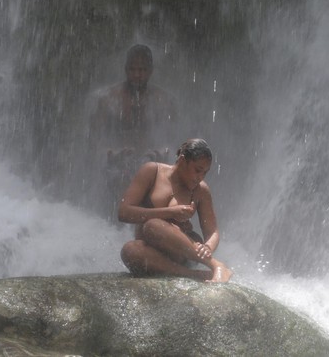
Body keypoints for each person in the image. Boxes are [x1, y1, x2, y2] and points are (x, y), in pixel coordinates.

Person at [118, 138, 232, 283]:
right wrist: (170, 212)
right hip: (152, 252)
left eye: (205, 173)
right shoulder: (152, 171)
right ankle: (194, 275)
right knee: (130, 250)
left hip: (183, 253)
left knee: (153, 225)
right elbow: (124, 212)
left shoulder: (201, 190)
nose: (200, 177)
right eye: (197, 170)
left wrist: (207, 247)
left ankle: (216, 265)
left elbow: (213, 231)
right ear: (183, 160)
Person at [90, 44, 178, 213]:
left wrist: (164, 151)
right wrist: (108, 152)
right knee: (118, 172)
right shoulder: (109, 99)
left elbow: (174, 139)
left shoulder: (164, 101)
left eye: (142, 70)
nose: (137, 74)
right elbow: (94, 139)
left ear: (151, 71)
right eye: (133, 69)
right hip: (117, 161)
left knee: (158, 176)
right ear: (125, 69)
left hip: (151, 161)